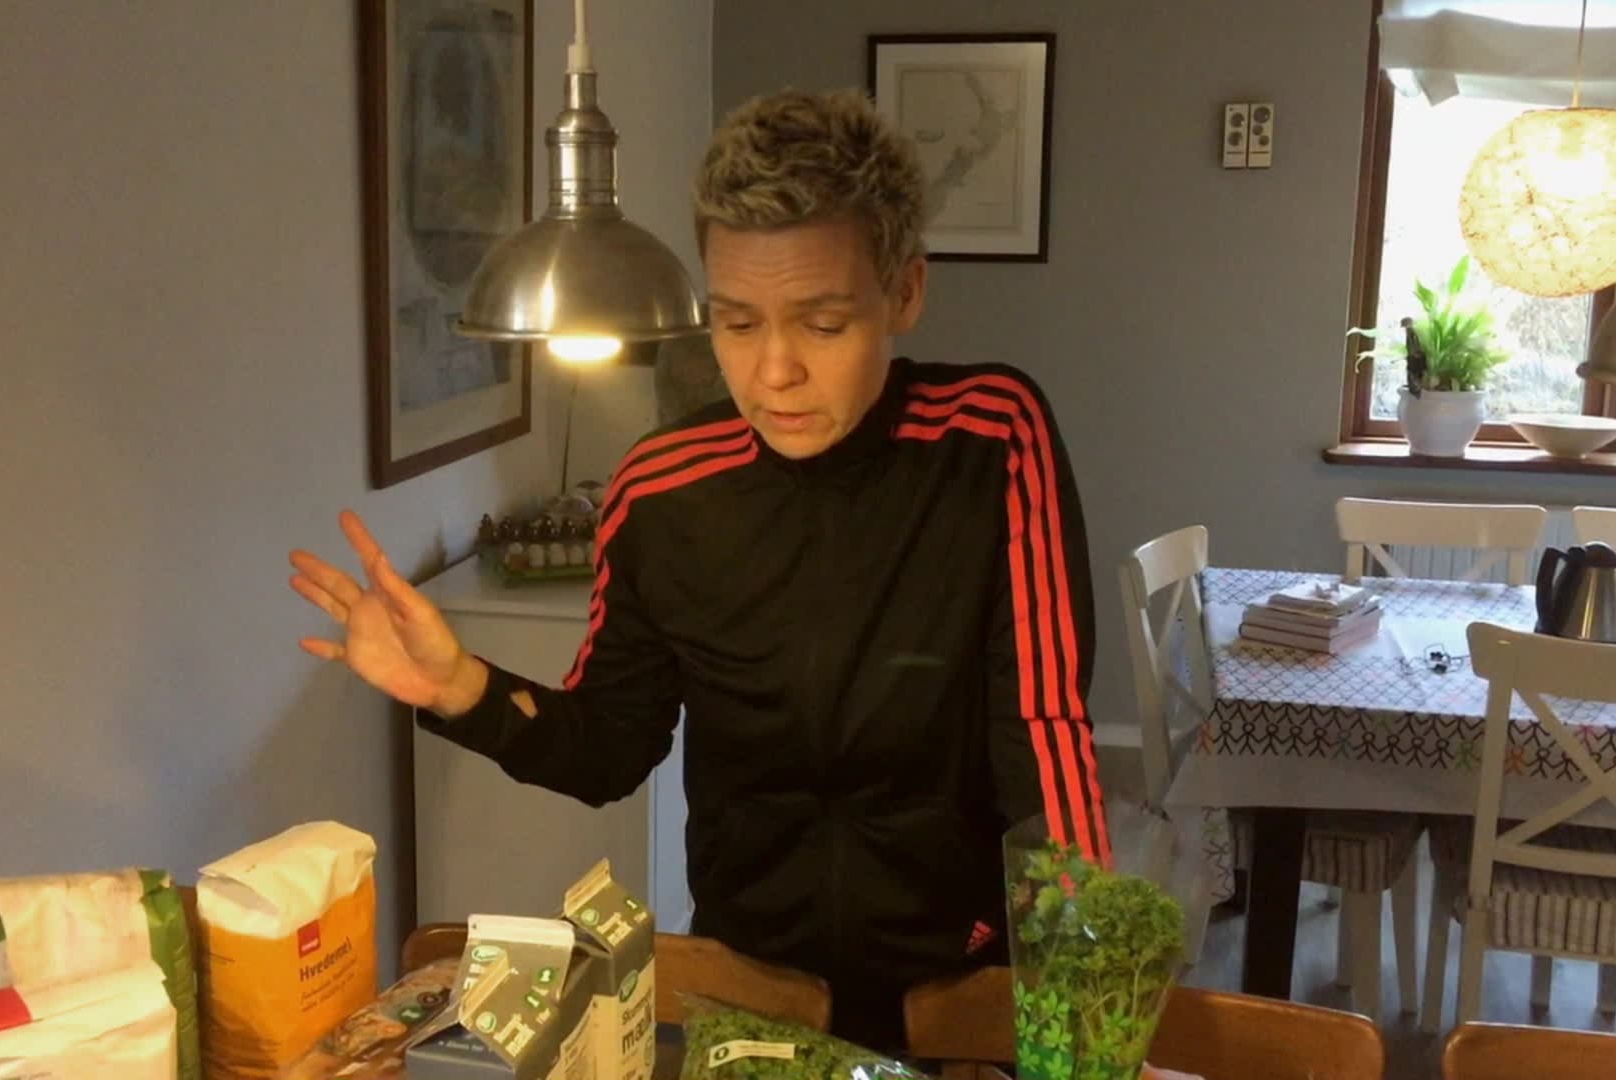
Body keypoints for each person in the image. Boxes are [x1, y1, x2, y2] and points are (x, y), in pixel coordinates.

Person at [292, 89, 1113, 1055]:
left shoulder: (990, 438)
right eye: (737, 325)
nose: (774, 372)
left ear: (904, 293)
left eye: (823, 324)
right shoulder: (662, 492)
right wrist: (460, 689)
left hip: (959, 979)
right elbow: (607, 747)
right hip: (751, 983)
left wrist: (1086, 986)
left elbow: (1043, 729)